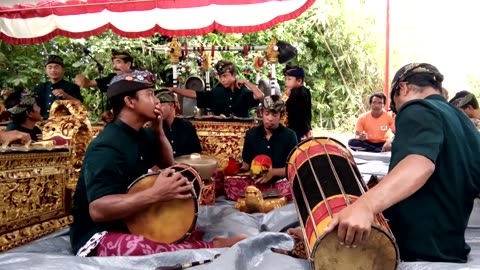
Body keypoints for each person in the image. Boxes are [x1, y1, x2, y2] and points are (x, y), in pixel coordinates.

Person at [311, 63, 480, 263]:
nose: (399, 113)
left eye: (395, 105)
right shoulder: (465, 123)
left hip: (413, 249)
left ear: (403, 88)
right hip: (450, 249)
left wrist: (364, 205)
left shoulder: (417, 107)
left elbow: (420, 164)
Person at [69, 70, 246, 257]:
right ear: (130, 102)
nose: (157, 101)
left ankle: (194, 244)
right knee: (137, 247)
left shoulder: (142, 134)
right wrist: (155, 194)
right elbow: (98, 210)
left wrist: (158, 131)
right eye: (150, 94)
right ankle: (212, 247)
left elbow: (168, 164)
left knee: (181, 228)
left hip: (135, 220)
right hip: (100, 232)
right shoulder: (106, 145)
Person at [167, 60, 264, 118]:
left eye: (225, 76)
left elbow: (260, 95)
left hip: (242, 132)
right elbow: (195, 94)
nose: (222, 80)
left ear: (234, 75)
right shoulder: (216, 92)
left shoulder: (243, 92)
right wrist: (174, 90)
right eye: (220, 77)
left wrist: (246, 82)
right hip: (221, 131)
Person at [240, 95, 298, 184]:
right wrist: (236, 166)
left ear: (281, 115)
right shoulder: (251, 134)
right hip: (256, 182)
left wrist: (273, 172)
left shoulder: (290, 135)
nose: (270, 119)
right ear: (261, 113)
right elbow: (246, 166)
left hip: (281, 182)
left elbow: (294, 168)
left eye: (274, 114)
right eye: (267, 114)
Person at [34, 55, 83, 119]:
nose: (53, 70)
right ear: (45, 70)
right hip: (43, 123)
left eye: (56, 67)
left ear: (63, 69)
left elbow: (80, 106)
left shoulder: (72, 87)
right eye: (50, 67)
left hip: (65, 124)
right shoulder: (40, 87)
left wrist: (66, 96)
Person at [157, 89, 202, 158]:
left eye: (161, 105)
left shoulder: (186, 127)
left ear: (171, 106)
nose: (158, 108)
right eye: (156, 105)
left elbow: (196, 153)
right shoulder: (154, 128)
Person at [283, 65, 312, 142]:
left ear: (299, 81)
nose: (286, 81)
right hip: (302, 127)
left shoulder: (296, 93)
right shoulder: (306, 91)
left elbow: (298, 114)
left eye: (289, 79)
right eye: (285, 79)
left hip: (295, 129)